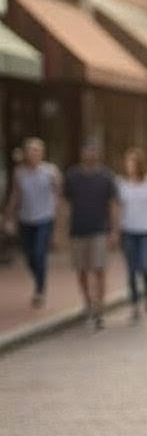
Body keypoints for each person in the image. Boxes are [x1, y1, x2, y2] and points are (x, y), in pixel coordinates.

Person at [64, 139, 119, 330]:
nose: (90, 155)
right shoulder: (72, 176)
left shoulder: (107, 177)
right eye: (87, 151)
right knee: (81, 270)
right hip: (78, 229)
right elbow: (65, 205)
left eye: (94, 151)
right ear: (82, 154)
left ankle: (99, 308)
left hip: (100, 230)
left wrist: (114, 231)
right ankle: (87, 302)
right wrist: (60, 231)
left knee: (99, 268)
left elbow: (113, 205)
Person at [3, 137, 61, 307]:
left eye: (36, 151)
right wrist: (8, 217)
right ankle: (38, 279)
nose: (33, 154)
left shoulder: (51, 171)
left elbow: (58, 197)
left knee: (39, 253)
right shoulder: (19, 173)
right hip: (26, 219)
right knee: (29, 256)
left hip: (45, 218)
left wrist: (58, 226)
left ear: (42, 153)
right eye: (30, 151)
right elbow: (16, 196)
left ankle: (40, 290)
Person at [116, 147, 147, 321]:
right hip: (129, 231)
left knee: (144, 266)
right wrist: (117, 229)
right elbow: (119, 207)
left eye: (133, 162)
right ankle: (135, 303)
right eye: (127, 162)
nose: (130, 166)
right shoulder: (122, 184)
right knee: (131, 269)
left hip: (145, 230)